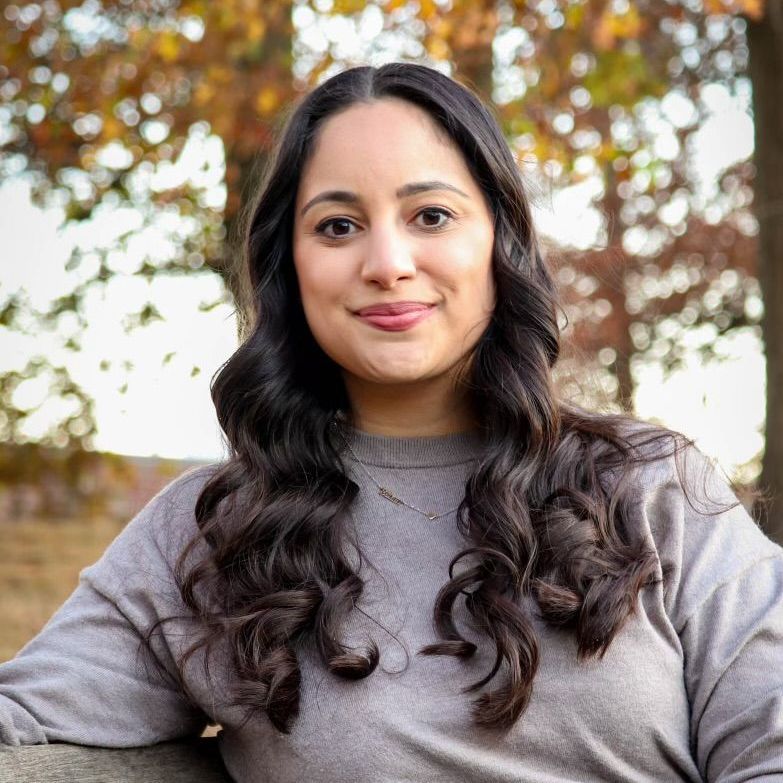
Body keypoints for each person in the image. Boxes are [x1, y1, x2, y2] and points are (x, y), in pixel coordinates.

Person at [0, 62, 781, 783]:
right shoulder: (217, 534)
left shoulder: (651, 486)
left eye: (430, 215)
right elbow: (25, 717)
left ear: (499, 241)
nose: (386, 263)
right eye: (337, 226)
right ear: (290, 266)